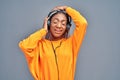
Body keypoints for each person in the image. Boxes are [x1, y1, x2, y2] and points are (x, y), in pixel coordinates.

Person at [19, 6, 88, 80]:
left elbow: (83, 23)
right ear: (49, 24)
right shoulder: (40, 45)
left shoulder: (72, 43)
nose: (58, 26)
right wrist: (43, 31)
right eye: (55, 22)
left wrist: (66, 8)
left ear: (67, 27)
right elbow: (24, 46)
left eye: (63, 23)